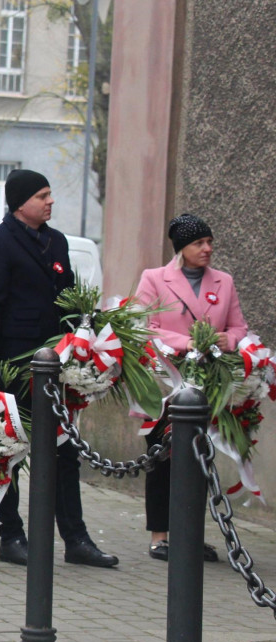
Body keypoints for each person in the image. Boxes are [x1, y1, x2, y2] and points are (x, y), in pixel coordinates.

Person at [0, 169, 118, 568]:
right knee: (10, 452)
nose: (50, 202)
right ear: (20, 203)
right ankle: (11, 535)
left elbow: (68, 300)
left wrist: (85, 340)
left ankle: (76, 539)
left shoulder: (56, 242)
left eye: (50, 195)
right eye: (43, 196)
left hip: (55, 367)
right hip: (12, 365)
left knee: (65, 453)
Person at [134, 213, 246, 562]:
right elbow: (143, 325)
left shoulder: (223, 281)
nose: (208, 249)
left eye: (210, 242)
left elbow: (239, 327)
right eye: (199, 243)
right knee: (162, 457)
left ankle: (190, 533)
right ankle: (159, 536)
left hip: (210, 385)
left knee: (201, 458)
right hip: (164, 381)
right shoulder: (155, 278)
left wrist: (224, 341)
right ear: (182, 248)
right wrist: (189, 342)